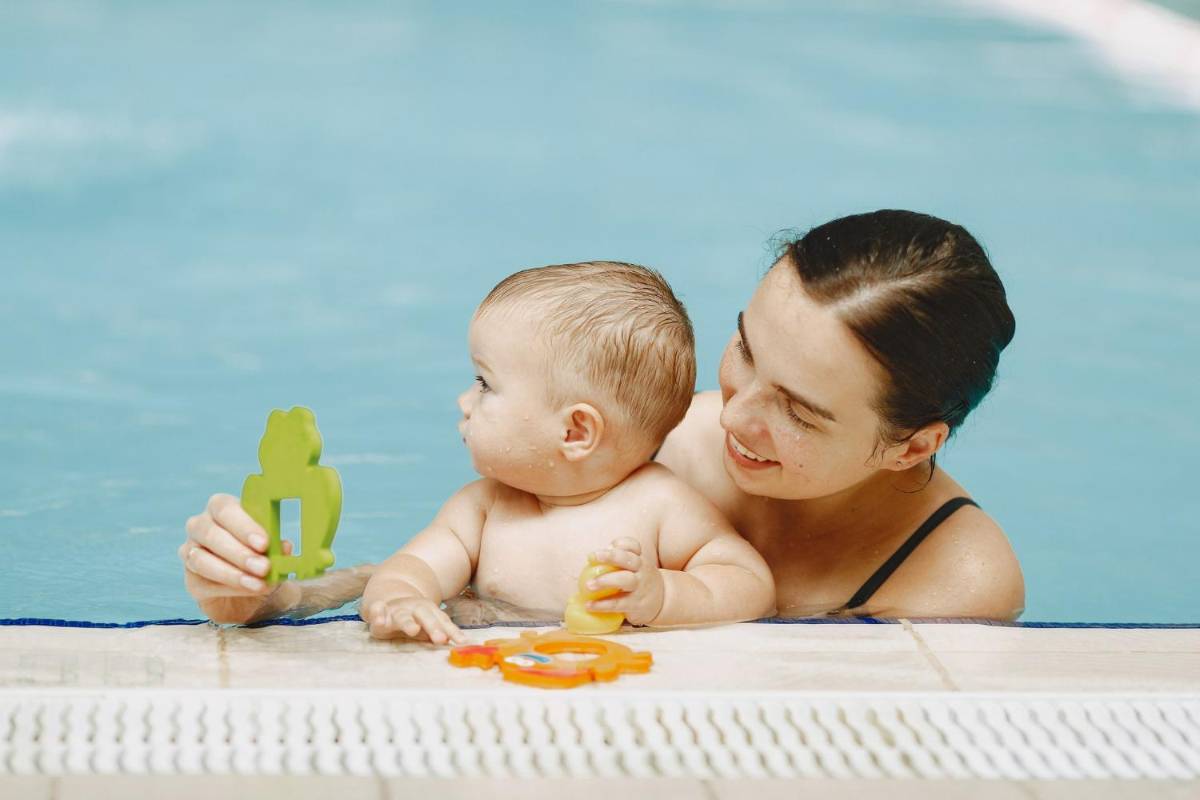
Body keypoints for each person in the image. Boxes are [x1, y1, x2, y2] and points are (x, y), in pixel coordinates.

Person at [181, 209, 1024, 623]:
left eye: (799, 411)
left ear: (911, 444)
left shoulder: (954, 581)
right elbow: (462, 571)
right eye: (744, 350)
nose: (736, 415)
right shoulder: (656, 441)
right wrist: (271, 596)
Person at [182, 262, 776, 638]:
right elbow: (410, 567)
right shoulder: (483, 507)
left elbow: (748, 580)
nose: (464, 401)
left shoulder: (661, 505)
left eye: (485, 384)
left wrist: (663, 595)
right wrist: (401, 601)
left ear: (575, 432)